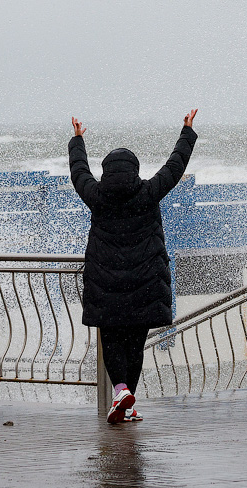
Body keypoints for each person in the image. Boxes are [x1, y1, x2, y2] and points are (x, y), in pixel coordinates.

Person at [69, 110, 198, 424]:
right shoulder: (149, 192)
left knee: (111, 339)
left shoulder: (96, 195)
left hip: (106, 286)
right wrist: (186, 131)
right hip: (145, 285)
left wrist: (77, 140)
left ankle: (121, 392)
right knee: (135, 344)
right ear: (135, 170)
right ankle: (125, 403)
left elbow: (78, 172)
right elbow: (175, 165)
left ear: (107, 172)